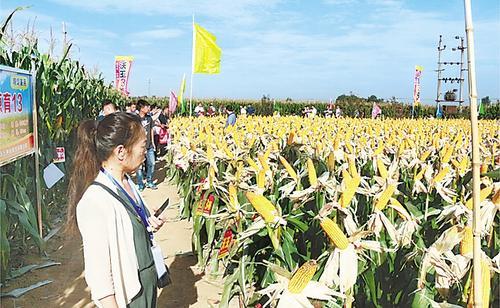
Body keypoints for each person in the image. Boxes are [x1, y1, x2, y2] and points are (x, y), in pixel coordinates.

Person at [66, 112, 166, 308]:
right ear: (121, 152)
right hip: (130, 297)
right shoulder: (95, 201)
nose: (145, 152)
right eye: (142, 146)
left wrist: (148, 220)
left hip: (146, 286)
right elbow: (99, 274)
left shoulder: (126, 181)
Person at [136, 99, 158, 191]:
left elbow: (151, 130)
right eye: (147, 106)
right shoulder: (135, 119)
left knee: (152, 163)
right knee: (139, 166)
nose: (149, 108)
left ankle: (149, 181)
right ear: (141, 108)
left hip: (149, 146)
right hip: (138, 147)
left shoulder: (149, 118)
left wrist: (152, 142)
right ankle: (140, 184)